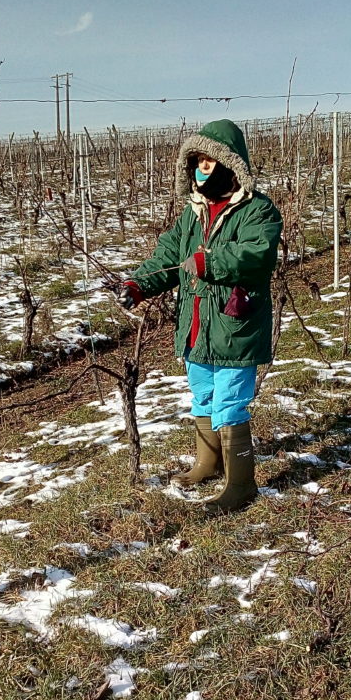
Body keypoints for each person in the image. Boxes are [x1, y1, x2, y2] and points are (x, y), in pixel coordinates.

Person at [116, 118, 283, 514]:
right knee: (203, 395)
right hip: (195, 326)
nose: (200, 171)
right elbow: (167, 257)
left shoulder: (257, 210)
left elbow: (257, 255)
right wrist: (138, 285)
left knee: (230, 402)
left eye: (208, 163)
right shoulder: (192, 214)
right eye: (196, 164)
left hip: (233, 324)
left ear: (230, 164)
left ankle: (241, 485)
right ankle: (208, 464)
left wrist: (208, 262)